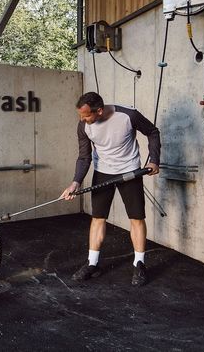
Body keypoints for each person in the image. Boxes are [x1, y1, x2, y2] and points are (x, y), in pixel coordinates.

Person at [61, 92, 160, 286]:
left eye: (86, 115)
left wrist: (154, 160)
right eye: (80, 115)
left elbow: (153, 132)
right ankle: (92, 263)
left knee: (136, 218)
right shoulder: (83, 126)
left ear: (99, 110)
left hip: (130, 171)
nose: (82, 119)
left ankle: (139, 264)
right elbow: (84, 157)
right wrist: (75, 182)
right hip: (103, 172)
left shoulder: (128, 116)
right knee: (98, 218)